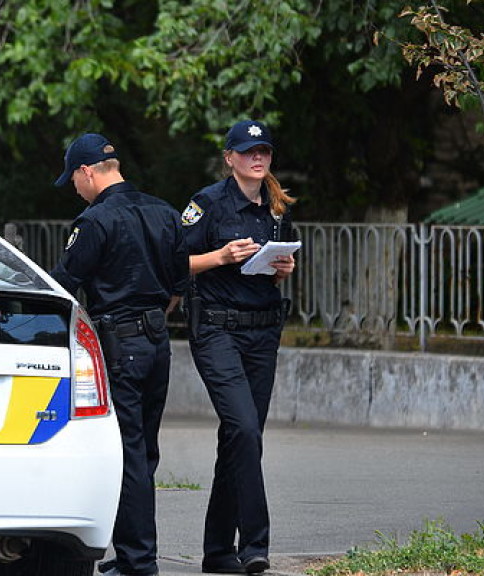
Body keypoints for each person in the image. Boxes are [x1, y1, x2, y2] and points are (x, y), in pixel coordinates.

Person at [50, 132, 189, 576]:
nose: (74, 187)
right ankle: (137, 554)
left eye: (73, 178)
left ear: (87, 172)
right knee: (145, 449)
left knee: (127, 451)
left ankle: (137, 560)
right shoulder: (165, 212)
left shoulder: (94, 221)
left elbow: (63, 286)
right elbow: (179, 287)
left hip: (120, 345)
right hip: (157, 343)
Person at [180, 120, 297, 575]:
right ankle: (254, 546)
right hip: (216, 330)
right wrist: (221, 257)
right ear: (229, 157)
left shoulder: (276, 205)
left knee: (240, 438)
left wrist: (281, 268)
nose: (257, 158)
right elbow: (175, 262)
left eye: (264, 150)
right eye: (248, 151)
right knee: (245, 430)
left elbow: (278, 262)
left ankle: (216, 552)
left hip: (263, 331)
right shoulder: (205, 203)